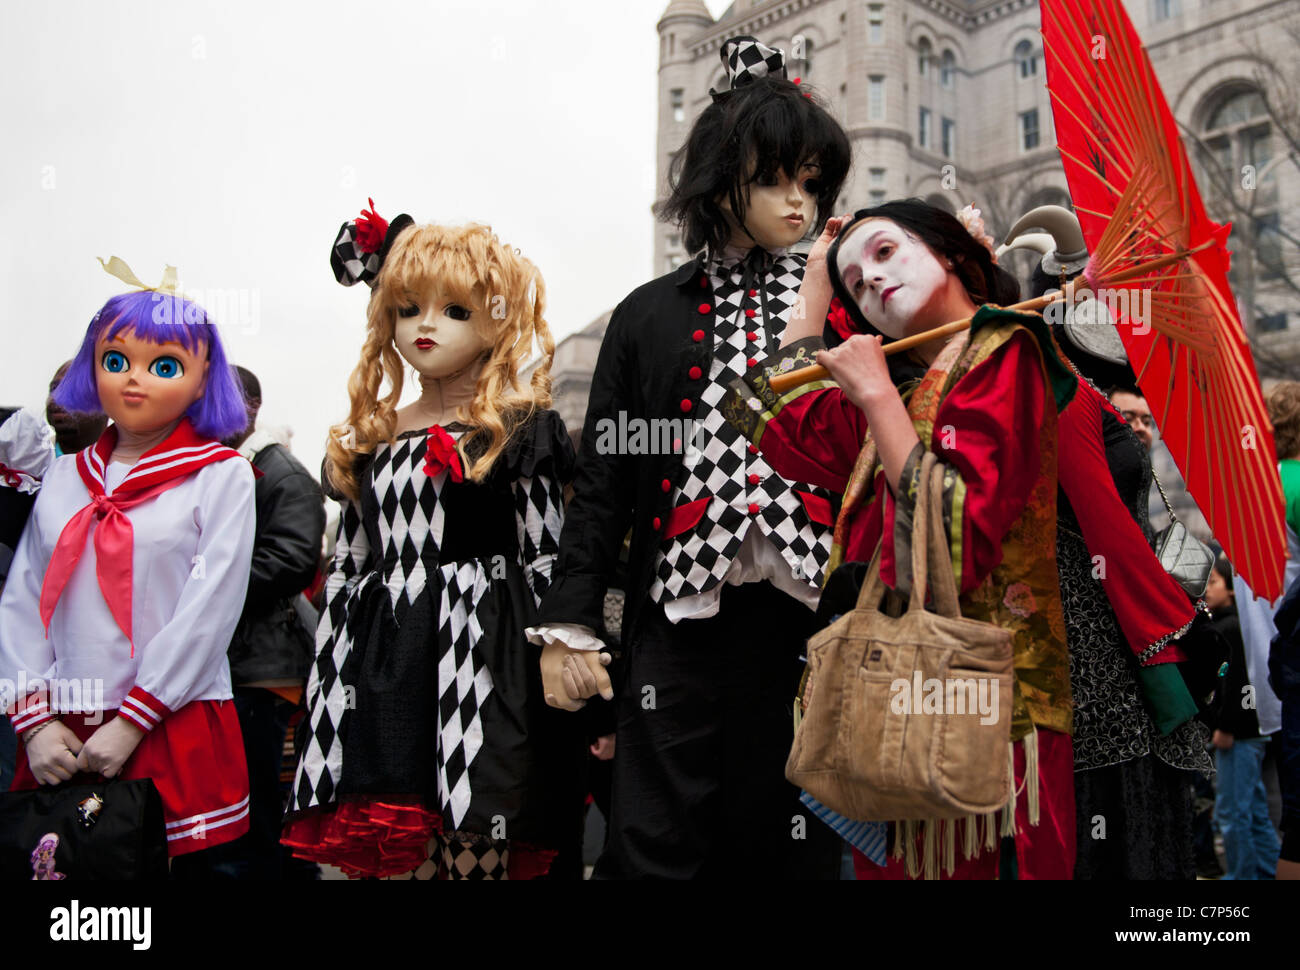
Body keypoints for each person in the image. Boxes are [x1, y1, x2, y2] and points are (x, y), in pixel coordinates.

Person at [529, 35, 851, 879]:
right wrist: (571, 621)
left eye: (813, 184)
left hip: (811, 614)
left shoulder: (846, 303)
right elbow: (602, 481)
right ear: (721, 179)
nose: (799, 204)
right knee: (653, 844)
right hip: (677, 614)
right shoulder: (646, 317)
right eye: (777, 179)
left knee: (790, 841)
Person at [725, 198, 1078, 879]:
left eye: (885, 253)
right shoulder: (903, 387)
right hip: (894, 701)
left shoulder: (1007, 351)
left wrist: (878, 399)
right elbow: (774, 416)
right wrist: (815, 287)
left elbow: (957, 535)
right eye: (856, 283)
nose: (872, 281)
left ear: (949, 251)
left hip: (993, 714)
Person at [282, 203, 584, 880]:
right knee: (398, 846)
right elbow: (349, 563)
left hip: (484, 658)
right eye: (408, 308)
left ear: (495, 318)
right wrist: (332, 674)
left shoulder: (518, 427)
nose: (425, 326)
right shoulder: (373, 434)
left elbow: (545, 555)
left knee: (478, 837)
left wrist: (565, 647)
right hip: (385, 662)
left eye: (454, 310)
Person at [0, 265, 255, 859]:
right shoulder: (64, 477)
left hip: (172, 718)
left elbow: (209, 610)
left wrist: (134, 720)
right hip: (59, 728)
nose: (134, 381)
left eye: (164, 366)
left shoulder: (222, 476)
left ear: (202, 381)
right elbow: (22, 601)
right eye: (116, 360)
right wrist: (33, 722)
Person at [1006, 208, 1211, 879]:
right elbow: (1116, 533)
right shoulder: (1058, 388)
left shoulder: (1092, 392)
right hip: (1094, 655)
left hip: (1113, 653)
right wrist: (1178, 615)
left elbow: (1131, 524)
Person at [172, 366, 326, 879]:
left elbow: (294, 561)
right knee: (237, 798)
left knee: (264, 800)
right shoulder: (226, 466)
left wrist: (204, 583)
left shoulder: (282, 473)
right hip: (236, 662)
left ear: (252, 408)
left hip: (264, 670)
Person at [1205, 555, 1280, 879]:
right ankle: (1266, 870)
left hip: (1239, 734)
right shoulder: (1236, 623)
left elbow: (1236, 683)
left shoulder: (1230, 627)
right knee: (1255, 812)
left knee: (1232, 813)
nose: (1207, 590)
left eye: (1214, 582)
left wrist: (1225, 727)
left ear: (1232, 589)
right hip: (1254, 730)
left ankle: (1242, 876)